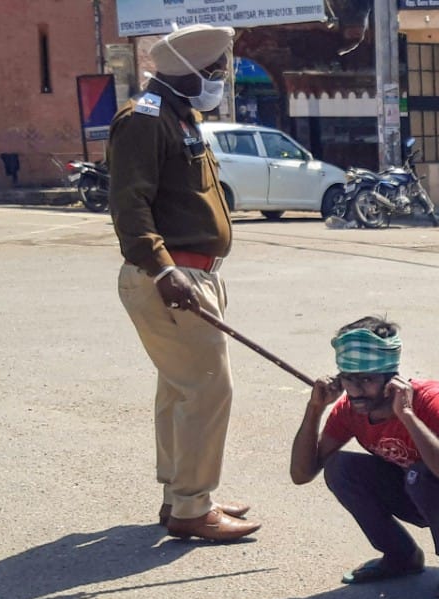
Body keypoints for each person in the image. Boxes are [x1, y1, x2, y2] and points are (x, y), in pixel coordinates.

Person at [109, 24, 259, 542]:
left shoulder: (181, 117)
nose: (221, 78)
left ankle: (182, 497)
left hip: (193, 273)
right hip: (171, 277)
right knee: (208, 388)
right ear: (191, 74)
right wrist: (164, 269)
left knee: (180, 390)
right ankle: (193, 509)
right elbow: (130, 204)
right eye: (216, 71)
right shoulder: (145, 120)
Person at [289, 317, 439, 599]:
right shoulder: (349, 410)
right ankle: (401, 556)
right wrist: (315, 408)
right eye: (348, 378)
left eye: (367, 380)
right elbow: (302, 474)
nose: (355, 390)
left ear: (391, 378)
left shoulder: (431, 400)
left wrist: (407, 415)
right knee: (339, 467)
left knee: (422, 474)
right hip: (418, 492)